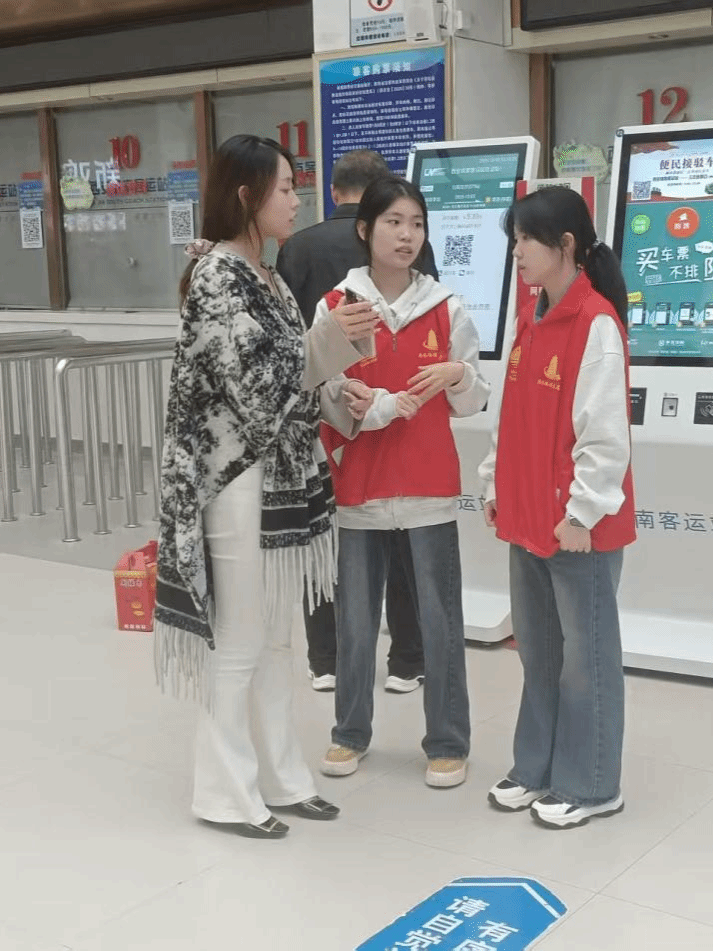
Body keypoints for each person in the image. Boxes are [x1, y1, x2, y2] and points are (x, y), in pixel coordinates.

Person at [152, 134, 380, 839]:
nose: (296, 200)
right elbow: (256, 388)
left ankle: (281, 776)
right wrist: (329, 341)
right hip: (234, 480)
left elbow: (294, 375)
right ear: (247, 196)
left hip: (277, 478)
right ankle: (224, 792)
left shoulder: (270, 278)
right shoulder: (218, 276)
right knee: (240, 639)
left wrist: (338, 387)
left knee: (276, 639)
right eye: (285, 188)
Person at [314, 175, 487, 788]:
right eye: (393, 222)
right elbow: (318, 393)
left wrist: (457, 376)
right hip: (359, 486)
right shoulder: (337, 307)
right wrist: (348, 397)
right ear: (365, 229)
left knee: (440, 622)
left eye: (416, 223)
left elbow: (473, 399)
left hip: (428, 483)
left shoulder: (447, 307)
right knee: (355, 623)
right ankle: (349, 733)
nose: (406, 234)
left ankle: (447, 741)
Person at [478, 187, 636, 829]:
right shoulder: (530, 317)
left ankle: (593, 783)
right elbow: (510, 417)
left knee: (585, 659)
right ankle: (536, 767)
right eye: (513, 240)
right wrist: (495, 484)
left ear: (565, 245)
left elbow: (605, 438)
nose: (516, 252)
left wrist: (582, 513)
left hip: (575, 527)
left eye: (526, 240)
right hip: (527, 517)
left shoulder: (595, 324)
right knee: (539, 652)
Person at [277, 149, 435, 695]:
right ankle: (407, 660)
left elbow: (289, 339)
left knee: (325, 540)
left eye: (412, 223)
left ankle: (325, 659)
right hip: (399, 411)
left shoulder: (298, 246)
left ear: (333, 190)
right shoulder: (408, 251)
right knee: (402, 544)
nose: (404, 234)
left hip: (323, 414)